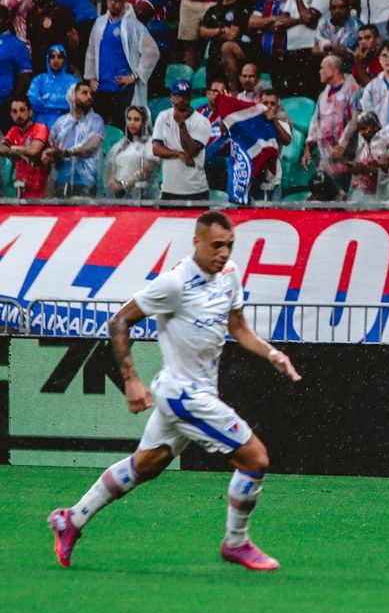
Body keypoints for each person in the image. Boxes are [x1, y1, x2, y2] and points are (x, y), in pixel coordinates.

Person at [47, 211, 302, 573]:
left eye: (229, 245)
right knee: (256, 459)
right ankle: (236, 542)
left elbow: (238, 326)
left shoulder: (229, 275)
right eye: (216, 245)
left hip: (185, 393)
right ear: (197, 242)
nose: (224, 253)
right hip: (184, 396)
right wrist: (131, 379)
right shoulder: (174, 283)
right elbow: (120, 320)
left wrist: (271, 353)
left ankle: (71, 519)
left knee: (144, 467)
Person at [84, 0, 159, 126]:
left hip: (123, 90)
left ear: (124, 1)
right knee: (101, 131)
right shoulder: (99, 23)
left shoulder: (134, 25)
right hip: (102, 88)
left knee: (125, 131)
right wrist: (90, 78)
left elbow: (152, 52)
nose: (112, 3)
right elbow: (91, 53)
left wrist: (135, 76)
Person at [249, 0, 328, 98]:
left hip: (311, 52)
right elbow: (281, 23)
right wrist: (301, 20)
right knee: (288, 96)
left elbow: (308, 18)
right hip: (291, 51)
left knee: (307, 95)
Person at [153, 79, 213, 202]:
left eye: (184, 96)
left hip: (195, 190)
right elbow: (156, 149)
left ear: (190, 97)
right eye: (177, 95)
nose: (181, 99)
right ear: (171, 97)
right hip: (169, 189)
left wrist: (181, 124)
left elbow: (191, 150)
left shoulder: (202, 122)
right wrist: (178, 154)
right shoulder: (163, 116)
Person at [304, 54, 356, 193]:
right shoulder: (323, 94)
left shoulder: (351, 89)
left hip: (344, 159)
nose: (319, 71)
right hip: (324, 159)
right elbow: (316, 121)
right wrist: (308, 146)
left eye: (322, 68)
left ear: (333, 70)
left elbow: (355, 120)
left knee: (340, 200)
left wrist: (342, 144)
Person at [43, 81, 104, 197]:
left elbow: (92, 146)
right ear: (72, 96)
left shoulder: (96, 120)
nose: (89, 97)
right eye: (84, 93)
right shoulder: (60, 122)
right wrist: (52, 154)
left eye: (91, 94)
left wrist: (66, 152)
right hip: (61, 179)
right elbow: (52, 149)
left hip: (86, 181)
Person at [198, 0, 253, 87]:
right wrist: (220, 30)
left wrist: (212, 33)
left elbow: (232, 35)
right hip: (213, 59)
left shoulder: (241, 7)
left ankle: (234, 90)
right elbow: (201, 32)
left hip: (233, 59)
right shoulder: (213, 9)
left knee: (227, 46)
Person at [165, 0, 221, 70]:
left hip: (212, 2)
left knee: (215, 41)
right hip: (188, 1)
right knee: (188, 44)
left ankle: (213, 78)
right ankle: (189, 75)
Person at [26, 0, 78, 74]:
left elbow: (73, 45)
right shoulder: (30, 15)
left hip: (59, 72)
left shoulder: (61, 12)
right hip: (39, 72)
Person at [0, 96, 50, 197]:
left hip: (42, 192)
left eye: (22, 110)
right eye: (14, 111)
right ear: (11, 114)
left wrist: (15, 148)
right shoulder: (14, 131)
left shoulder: (40, 128)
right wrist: (19, 154)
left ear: (30, 112)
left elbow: (33, 151)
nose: (18, 115)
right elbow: (1, 147)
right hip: (22, 189)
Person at [105, 104, 158, 198]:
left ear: (144, 122)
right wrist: (112, 182)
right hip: (119, 195)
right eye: (129, 119)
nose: (132, 123)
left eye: (136, 119)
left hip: (142, 196)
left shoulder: (150, 144)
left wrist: (127, 184)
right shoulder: (121, 145)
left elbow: (148, 168)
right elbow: (110, 168)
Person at [257, 88, 292, 200]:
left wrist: (274, 121)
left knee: (274, 213)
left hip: (274, 177)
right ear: (259, 104)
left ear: (277, 106)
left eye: (272, 103)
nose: (269, 107)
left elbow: (287, 140)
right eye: (265, 103)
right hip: (255, 176)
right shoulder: (252, 123)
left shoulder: (282, 123)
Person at [27, 44, 72, 127]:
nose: (56, 60)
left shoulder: (72, 81)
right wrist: (60, 100)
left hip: (65, 126)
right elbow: (33, 100)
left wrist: (47, 98)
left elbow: (72, 102)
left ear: (64, 59)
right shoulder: (39, 79)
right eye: (52, 57)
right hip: (40, 126)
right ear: (48, 59)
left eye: (59, 57)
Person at [0, 6, 30, 122]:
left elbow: (25, 75)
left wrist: (13, 99)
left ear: (7, 19)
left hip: (6, 105)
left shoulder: (16, 44)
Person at [346, 109, 384, 199]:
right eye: (359, 130)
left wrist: (365, 169)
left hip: (375, 196)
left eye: (364, 128)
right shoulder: (365, 145)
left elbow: (385, 173)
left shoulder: (382, 145)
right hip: (362, 192)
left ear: (374, 126)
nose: (362, 133)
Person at [315, 0, 359, 64]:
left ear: (349, 8)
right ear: (330, 10)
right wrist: (332, 45)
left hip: (349, 69)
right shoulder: (324, 22)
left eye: (341, 7)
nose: (337, 11)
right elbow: (315, 49)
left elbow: (341, 52)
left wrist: (325, 45)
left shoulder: (356, 25)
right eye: (334, 8)